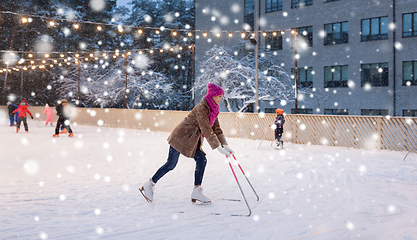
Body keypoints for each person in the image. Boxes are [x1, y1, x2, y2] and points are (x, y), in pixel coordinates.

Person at [139, 83, 234, 204]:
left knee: (201, 160)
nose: (221, 99)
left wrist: (224, 144)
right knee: (171, 164)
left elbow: (216, 128)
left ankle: (196, 191)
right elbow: (206, 128)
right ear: (213, 96)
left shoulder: (214, 109)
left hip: (191, 140)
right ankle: (150, 184)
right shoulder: (202, 108)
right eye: (219, 96)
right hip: (181, 136)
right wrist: (217, 147)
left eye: (222, 96)